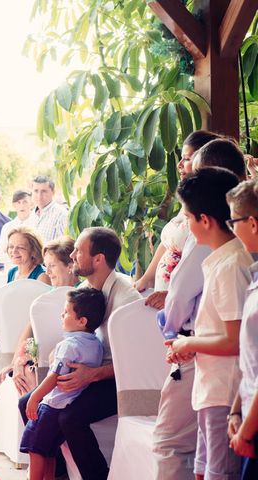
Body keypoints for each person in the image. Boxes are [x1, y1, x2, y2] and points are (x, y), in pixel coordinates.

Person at [152, 137, 247, 480]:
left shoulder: (231, 264)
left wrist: (185, 342)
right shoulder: (223, 259)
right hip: (210, 382)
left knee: (214, 468)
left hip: (225, 386)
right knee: (204, 467)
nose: (185, 225)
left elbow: (234, 340)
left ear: (205, 220)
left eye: (189, 217)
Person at [30, 227, 140, 480]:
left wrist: (92, 375)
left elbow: (135, 361)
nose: (72, 257)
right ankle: (54, 473)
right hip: (88, 374)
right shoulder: (85, 288)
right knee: (27, 403)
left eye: (78, 252)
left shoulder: (126, 299)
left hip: (118, 381)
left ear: (98, 259)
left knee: (70, 418)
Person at [21, 288, 106, 480]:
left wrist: (35, 397)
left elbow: (53, 376)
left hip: (52, 405)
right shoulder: (96, 345)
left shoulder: (68, 345)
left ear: (82, 321)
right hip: (68, 404)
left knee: (35, 449)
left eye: (66, 312)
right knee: (49, 451)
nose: (62, 314)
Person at [134, 130, 220, 293]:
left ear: (206, 162)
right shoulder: (188, 200)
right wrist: (146, 278)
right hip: (166, 300)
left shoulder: (212, 210)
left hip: (186, 303)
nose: (179, 164)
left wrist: (171, 296)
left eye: (187, 158)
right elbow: (168, 244)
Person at [1, 236, 78, 398]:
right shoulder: (48, 296)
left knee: (28, 379)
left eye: (52, 266)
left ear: (70, 266)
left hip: (71, 363)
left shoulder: (81, 294)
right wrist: (17, 360)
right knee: (19, 375)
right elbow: (30, 330)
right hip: (44, 361)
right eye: (46, 266)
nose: (47, 272)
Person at [226, 179, 258, 479]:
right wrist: (236, 410)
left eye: (233, 221)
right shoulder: (254, 274)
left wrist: (246, 433)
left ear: (252, 224)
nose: (231, 229)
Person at [0, 190, 35, 267]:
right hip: (11, 273)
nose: (22, 205)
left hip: (32, 271)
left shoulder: (37, 225)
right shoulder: (7, 227)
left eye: (25, 202)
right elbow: (0, 256)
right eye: (18, 202)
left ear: (31, 204)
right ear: (14, 205)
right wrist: (20, 257)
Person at [31, 176, 68, 243]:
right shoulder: (31, 215)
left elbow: (66, 245)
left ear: (53, 192)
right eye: (36, 191)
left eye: (44, 191)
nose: (39, 196)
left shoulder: (62, 215)